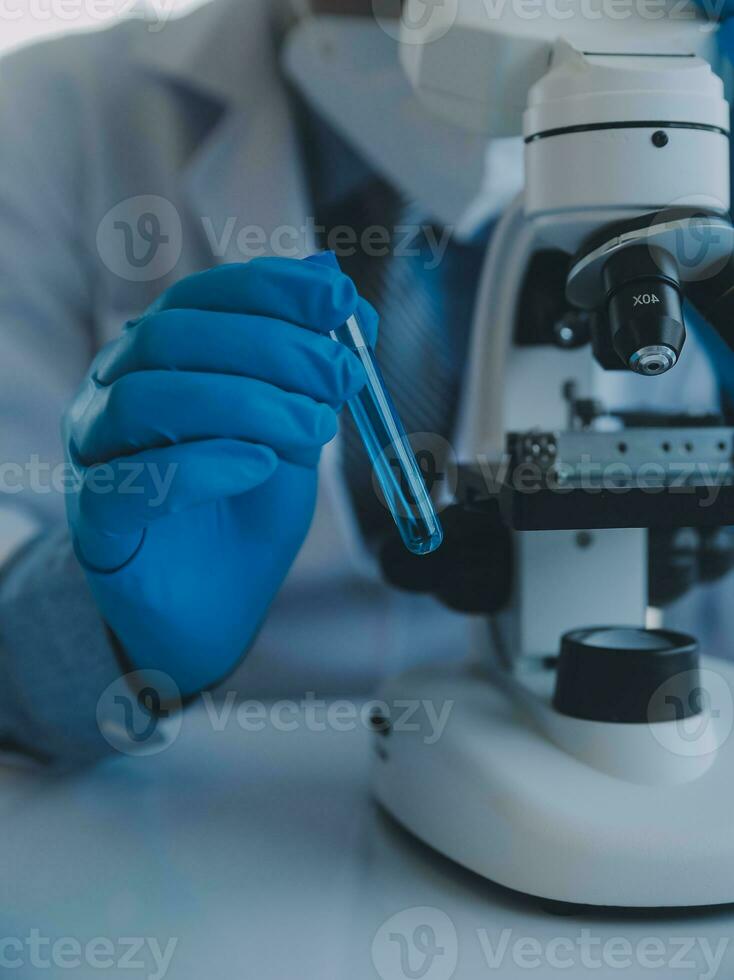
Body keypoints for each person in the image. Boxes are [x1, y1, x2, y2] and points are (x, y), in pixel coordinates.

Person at [0, 0, 730, 766]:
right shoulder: (46, 122)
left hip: (545, 735)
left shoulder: (633, 147)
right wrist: (108, 634)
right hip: (204, 794)